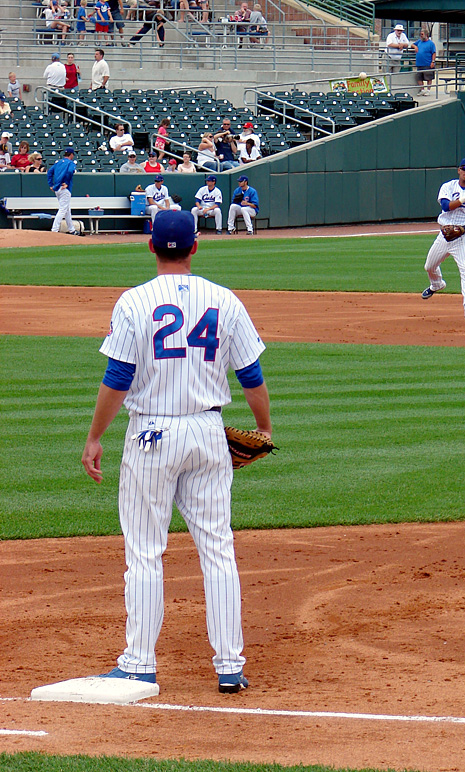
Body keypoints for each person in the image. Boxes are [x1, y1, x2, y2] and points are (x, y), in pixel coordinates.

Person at [81, 208, 271, 694]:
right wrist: (263, 430)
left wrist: (95, 436)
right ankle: (230, 666)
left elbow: (118, 379)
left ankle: (139, 662)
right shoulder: (224, 300)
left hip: (151, 435)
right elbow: (251, 377)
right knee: (218, 549)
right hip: (209, 433)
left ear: (150, 245)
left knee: (145, 552)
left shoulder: (134, 302)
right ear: (195, 245)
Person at [422, 157, 465, 323]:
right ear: (459, 170)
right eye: (463, 168)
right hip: (444, 236)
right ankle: (437, 285)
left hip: (463, 238)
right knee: (429, 266)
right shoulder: (448, 187)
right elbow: (445, 206)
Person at [47, 147, 83, 236]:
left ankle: (72, 230)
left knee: (67, 210)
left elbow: (49, 172)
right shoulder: (70, 163)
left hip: (57, 188)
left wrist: (51, 184)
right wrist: (66, 182)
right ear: (71, 155)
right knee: (63, 209)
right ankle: (54, 230)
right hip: (64, 188)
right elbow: (70, 171)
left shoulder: (58, 162)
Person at [411, 28, 436, 96]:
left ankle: (428, 90)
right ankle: (422, 89)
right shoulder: (419, 41)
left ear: (426, 35)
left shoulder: (431, 43)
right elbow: (412, 44)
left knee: (428, 77)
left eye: (422, 34)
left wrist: (433, 61)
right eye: (420, 34)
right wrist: (415, 47)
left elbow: (434, 53)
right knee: (419, 77)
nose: (421, 36)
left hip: (427, 63)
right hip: (419, 64)